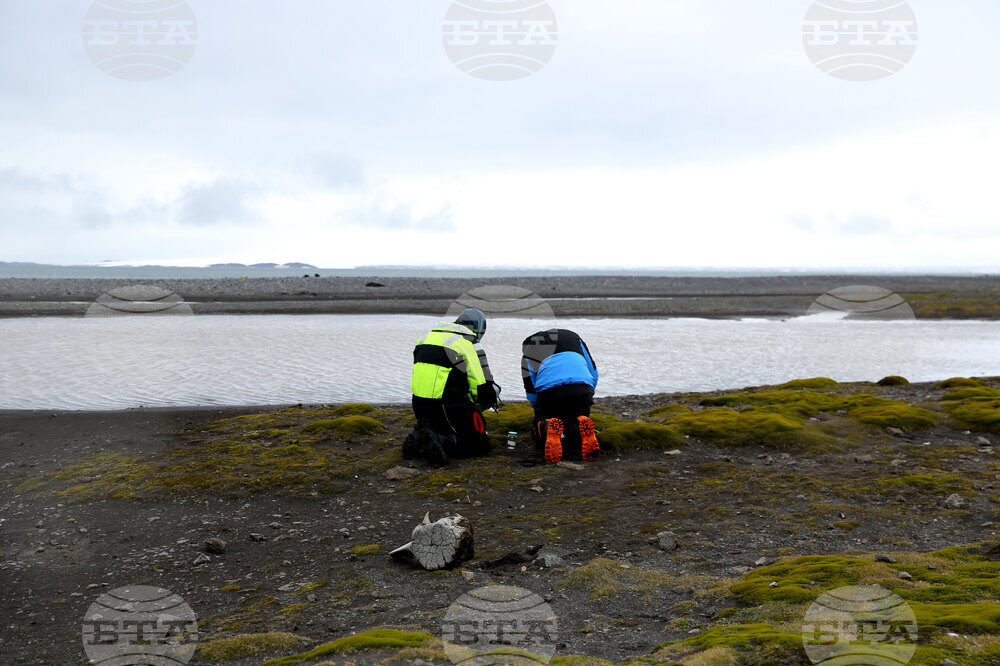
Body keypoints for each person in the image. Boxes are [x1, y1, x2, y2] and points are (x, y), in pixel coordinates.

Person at [404, 308, 498, 466]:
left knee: (443, 423)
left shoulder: (425, 338)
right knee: (481, 446)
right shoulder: (468, 344)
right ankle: (443, 440)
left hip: (419, 406)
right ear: (479, 328)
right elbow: (482, 387)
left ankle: (423, 433)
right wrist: (489, 400)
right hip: (447, 407)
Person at [521, 329, 599, 464]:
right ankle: (580, 422)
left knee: (542, 422)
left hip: (551, 392)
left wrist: (539, 413)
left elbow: (531, 389)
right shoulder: (574, 337)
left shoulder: (529, 350)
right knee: (577, 416)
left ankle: (546, 425)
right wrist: (589, 393)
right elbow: (593, 371)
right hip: (583, 387)